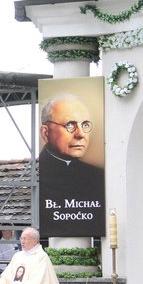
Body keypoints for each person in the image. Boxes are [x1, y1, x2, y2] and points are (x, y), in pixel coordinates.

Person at [39, 94, 105, 236]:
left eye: (85, 125)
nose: (80, 134)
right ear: (45, 132)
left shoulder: (98, 176)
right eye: (70, 124)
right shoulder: (36, 176)